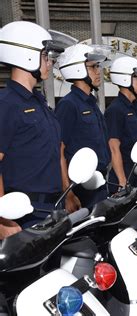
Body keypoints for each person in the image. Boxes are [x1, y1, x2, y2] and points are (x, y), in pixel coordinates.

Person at [0, 21, 65, 230]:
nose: (49, 62)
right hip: (23, 213)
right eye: (45, 56)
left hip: (52, 208)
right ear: (25, 55)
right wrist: (3, 222)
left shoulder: (39, 102)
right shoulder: (7, 104)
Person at [56, 44, 110, 209]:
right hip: (80, 187)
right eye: (93, 67)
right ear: (76, 70)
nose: (98, 71)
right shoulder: (69, 105)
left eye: (98, 66)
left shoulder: (92, 103)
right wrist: (68, 193)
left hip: (99, 182)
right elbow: (59, 150)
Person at [105, 56, 137, 192]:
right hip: (125, 177)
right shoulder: (115, 109)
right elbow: (113, 147)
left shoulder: (136, 107)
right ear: (124, 78)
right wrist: (122, 182)